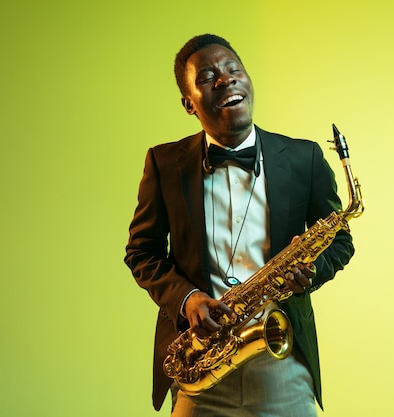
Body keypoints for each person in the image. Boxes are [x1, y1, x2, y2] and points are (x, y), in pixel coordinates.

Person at [125, 34, 355, 416]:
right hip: (200, 361)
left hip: (281, 359)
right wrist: (188, 299)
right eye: (207, 76)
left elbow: (340, 241)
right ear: (189, 104)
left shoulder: (304, 158)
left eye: (234, 69)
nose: (225, 79)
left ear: (247, 80)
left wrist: (311, 270)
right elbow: (141, 253)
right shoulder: (164, 163)